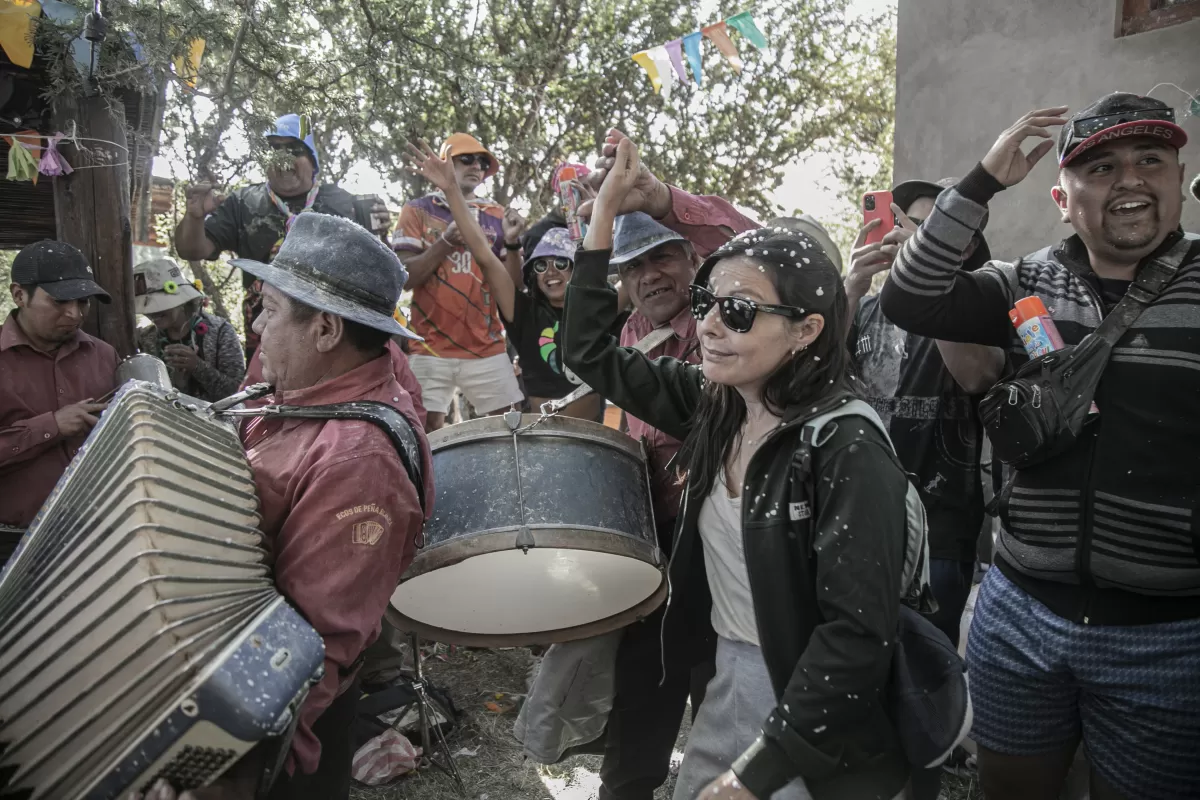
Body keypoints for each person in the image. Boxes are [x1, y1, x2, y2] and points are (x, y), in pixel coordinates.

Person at [564, 138, 911, 800]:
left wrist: (758, 774)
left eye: (741, 312)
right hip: (730, 680)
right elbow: (586, 350)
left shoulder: (846, 448)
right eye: (707, 303)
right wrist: (603, 214)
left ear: (807, 330)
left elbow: (857, 638)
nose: (711, 326)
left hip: (811, 707)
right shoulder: (714, 402)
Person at [880, 94, 1200, 800]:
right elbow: (908, 297)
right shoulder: (1023, 280)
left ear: (1180, 180)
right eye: (1101, 167)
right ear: (1063, 199)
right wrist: (982, 182)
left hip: (1168, 635)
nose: (1129, 179)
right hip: (1021, 614)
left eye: (1150, 159)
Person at [141, 212, 433, 800]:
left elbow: (311, 647)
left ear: (325, 330)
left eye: (268, 310)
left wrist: (228, 773)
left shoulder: (359, 460)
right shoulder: (294, 392)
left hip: (278, 729)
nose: (255, 324)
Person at [573, 130, 760, 800]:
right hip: (647, 540)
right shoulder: (629, 334)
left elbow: (752, 244)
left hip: (717, 544)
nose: (650, 274)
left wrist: (662, 197)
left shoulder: (731, 323)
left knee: (719, 686)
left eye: (662, 256)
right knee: (641, 690)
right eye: (633, 265)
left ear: (692, 259)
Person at [846, 178, 1005, 800]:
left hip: (941, 524)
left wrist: (929, 292)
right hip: (857, 516)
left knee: (925, 680)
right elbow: (816, 375)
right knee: (854, 670)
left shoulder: (983, 308)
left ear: (958, 246)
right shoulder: (865, 310)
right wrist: (852, 287)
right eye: (906, 221)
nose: (905, 233)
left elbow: (978, 377)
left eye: (929, 227)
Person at [404, 141, 625, 419]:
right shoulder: (524, 314)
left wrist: (610, 204)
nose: (550, 272)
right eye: (540, 265)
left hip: (591, 437)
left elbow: (630, 276)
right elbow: (483, 254)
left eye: (560, 263)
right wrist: (451, 189)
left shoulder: (594, 309)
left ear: (576, 270)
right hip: (537, 436)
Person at [173, 113, 374, 358]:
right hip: (265, 338)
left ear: (312, 161)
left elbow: (369, 270)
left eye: (294, 149)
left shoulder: (343, 203)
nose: (283, 157)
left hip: (329, 335)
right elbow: (191, 250)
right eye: (274, 149)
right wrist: (194, 217)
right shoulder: (243, 202)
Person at [393, 132, 526, 430]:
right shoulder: (417, 210)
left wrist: (513, 244)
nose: (476, 166)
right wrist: (445, 243)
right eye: (466, 159)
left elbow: (514, 288)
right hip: (428, 346)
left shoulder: (498, 215)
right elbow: (403, 278)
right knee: (424, 434)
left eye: (482, 162)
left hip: (487, 346)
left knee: (510, 428)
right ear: (445, 164)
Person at [1, 240, 117, 530]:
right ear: (19, 295)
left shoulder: (105, 356)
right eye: (59, 301)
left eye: (83, 301)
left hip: (99, 531)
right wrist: (51, 426)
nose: (75, 314)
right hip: (13, 539)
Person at [133, 258, 245, 402]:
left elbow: (236, 392)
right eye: (147, 309)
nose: (152, 314)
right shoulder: (146, 338)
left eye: (159, 307)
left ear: (181, 301)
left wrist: (197, 366)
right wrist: (177, 384)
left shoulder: (220, 331)